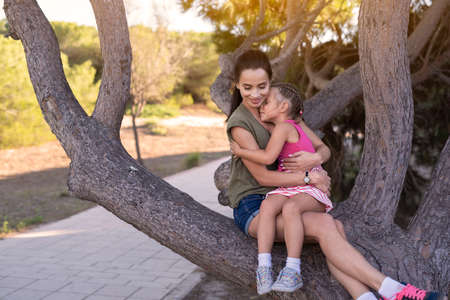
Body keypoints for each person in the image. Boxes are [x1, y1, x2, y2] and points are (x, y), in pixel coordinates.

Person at [226, 49, 443, 300]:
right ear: (237, 85)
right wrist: (309, 179)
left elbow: (322, 148)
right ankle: (392, 290)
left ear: (270, 82)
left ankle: (366, 297)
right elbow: (263, 178)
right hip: (256, 207)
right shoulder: (241, 124)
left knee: (334, 228)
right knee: (327, 226)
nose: (255, 94)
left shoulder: (278, 110)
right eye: (247, 88)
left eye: (262, 86)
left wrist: (315, 159)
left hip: (287, 197)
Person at [230, 82, 333, 294]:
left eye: (267, 101)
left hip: (305, 186)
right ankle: (264, 266)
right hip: (289, 185)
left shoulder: (286, 127)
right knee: (268, 206)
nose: (261, 105)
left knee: (290, 209)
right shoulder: (281, 126)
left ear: (283, 107)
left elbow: (268, 157)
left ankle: (292, 269)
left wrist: (240, 152)